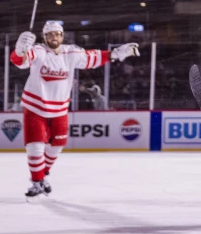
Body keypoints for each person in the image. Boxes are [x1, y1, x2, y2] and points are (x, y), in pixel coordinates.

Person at [11, 21, 139, 198]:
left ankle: (43, 176)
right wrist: (20, 49)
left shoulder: (70, 52)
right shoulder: (39, 51)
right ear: (44, 37)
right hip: (35, 107)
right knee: (35, 147)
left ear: (62, 36)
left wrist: (119, 52)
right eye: (50, 34)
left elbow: (92, 58)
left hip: (59, 109)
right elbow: (21, 61)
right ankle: (36, 182)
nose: (54, 37)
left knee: (57, 146)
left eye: (57, 34)